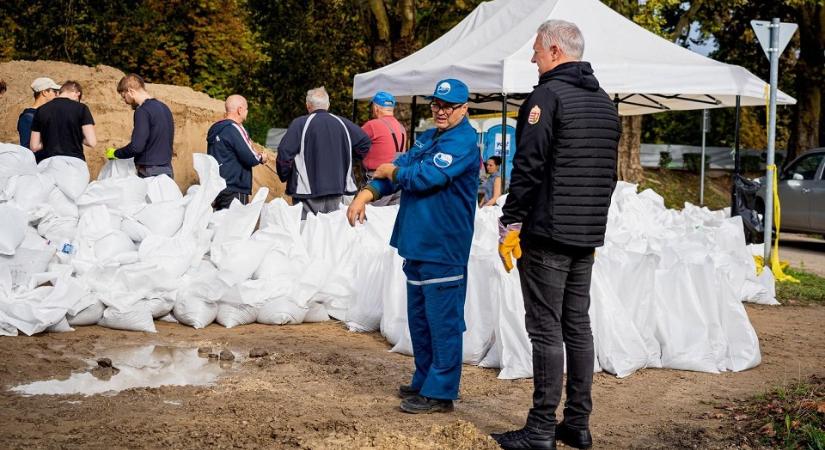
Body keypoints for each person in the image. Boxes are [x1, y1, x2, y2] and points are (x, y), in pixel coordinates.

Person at [491, 20, 620, 450]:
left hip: (547, 233)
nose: (532, 58)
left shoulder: (546, 96)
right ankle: (578, 424)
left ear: (553, 50)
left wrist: (510, 219)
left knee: (545, 329)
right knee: (577, 327)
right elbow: (610, 174)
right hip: (585, 233)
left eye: (535, 51)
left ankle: (541, 428)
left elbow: (528, 167)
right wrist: (591, 219)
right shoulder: (603, 101)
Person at [346, 78, 480, 414]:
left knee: (443, 320)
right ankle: (425, 379)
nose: (441, 111)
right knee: (420, 318)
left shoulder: (463, 141)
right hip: (417, 242)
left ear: (465, 109)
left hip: (443, 244)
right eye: (437, 104)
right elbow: (399, 168)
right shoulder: (428, 138)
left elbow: (423, 177)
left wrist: (393, 170)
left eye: (449, 106)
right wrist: (366, 193)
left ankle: (441, 391)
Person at [276, 86, 370, 219]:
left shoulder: (300, 124)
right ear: (328, 105)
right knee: (333, 232)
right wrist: (348, 160)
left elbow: (284, 153)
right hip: (339, 189)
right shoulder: (343, 123)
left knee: (308, 231)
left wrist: (284, 175)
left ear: (308, 105)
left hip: (307, 191)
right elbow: (365, 142)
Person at [106, 74, 175, 179]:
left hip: (149, 171)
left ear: (131, 91)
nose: (125, 101)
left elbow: (136, 147)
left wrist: (116, 153)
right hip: (167, 170)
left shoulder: (142, 111)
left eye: (124, 97)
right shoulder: (165, 108)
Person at [207, 95, 268, 210]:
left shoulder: (215, 128)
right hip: (234, 187)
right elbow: (250, 158)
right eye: (246, 109)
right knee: (236, 226)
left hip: (217, 187)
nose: (247, 112)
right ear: (240, 110)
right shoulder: (235, 128)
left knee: (219, 225)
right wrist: (261, 157)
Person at [29, 81, 97, 162]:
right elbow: (92, 142)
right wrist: (73, 136)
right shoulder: (82, 108)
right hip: (75, 162)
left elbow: (34, 146)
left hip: (49, 162)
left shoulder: (41, 110)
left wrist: (51, 139)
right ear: (77, 94)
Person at [360, 91, 406, 205]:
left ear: (376, 108)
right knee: (390, 220)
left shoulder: (372, 125)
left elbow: (353, 142)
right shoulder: (401, 127)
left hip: (378, 181)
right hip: (398, 180)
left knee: (370, 219)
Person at [18, 77, 60, 151]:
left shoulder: (49, 115)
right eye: (54, 91)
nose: (57, 95)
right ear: (44, 92)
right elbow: (27, 148)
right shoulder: (27, 118)